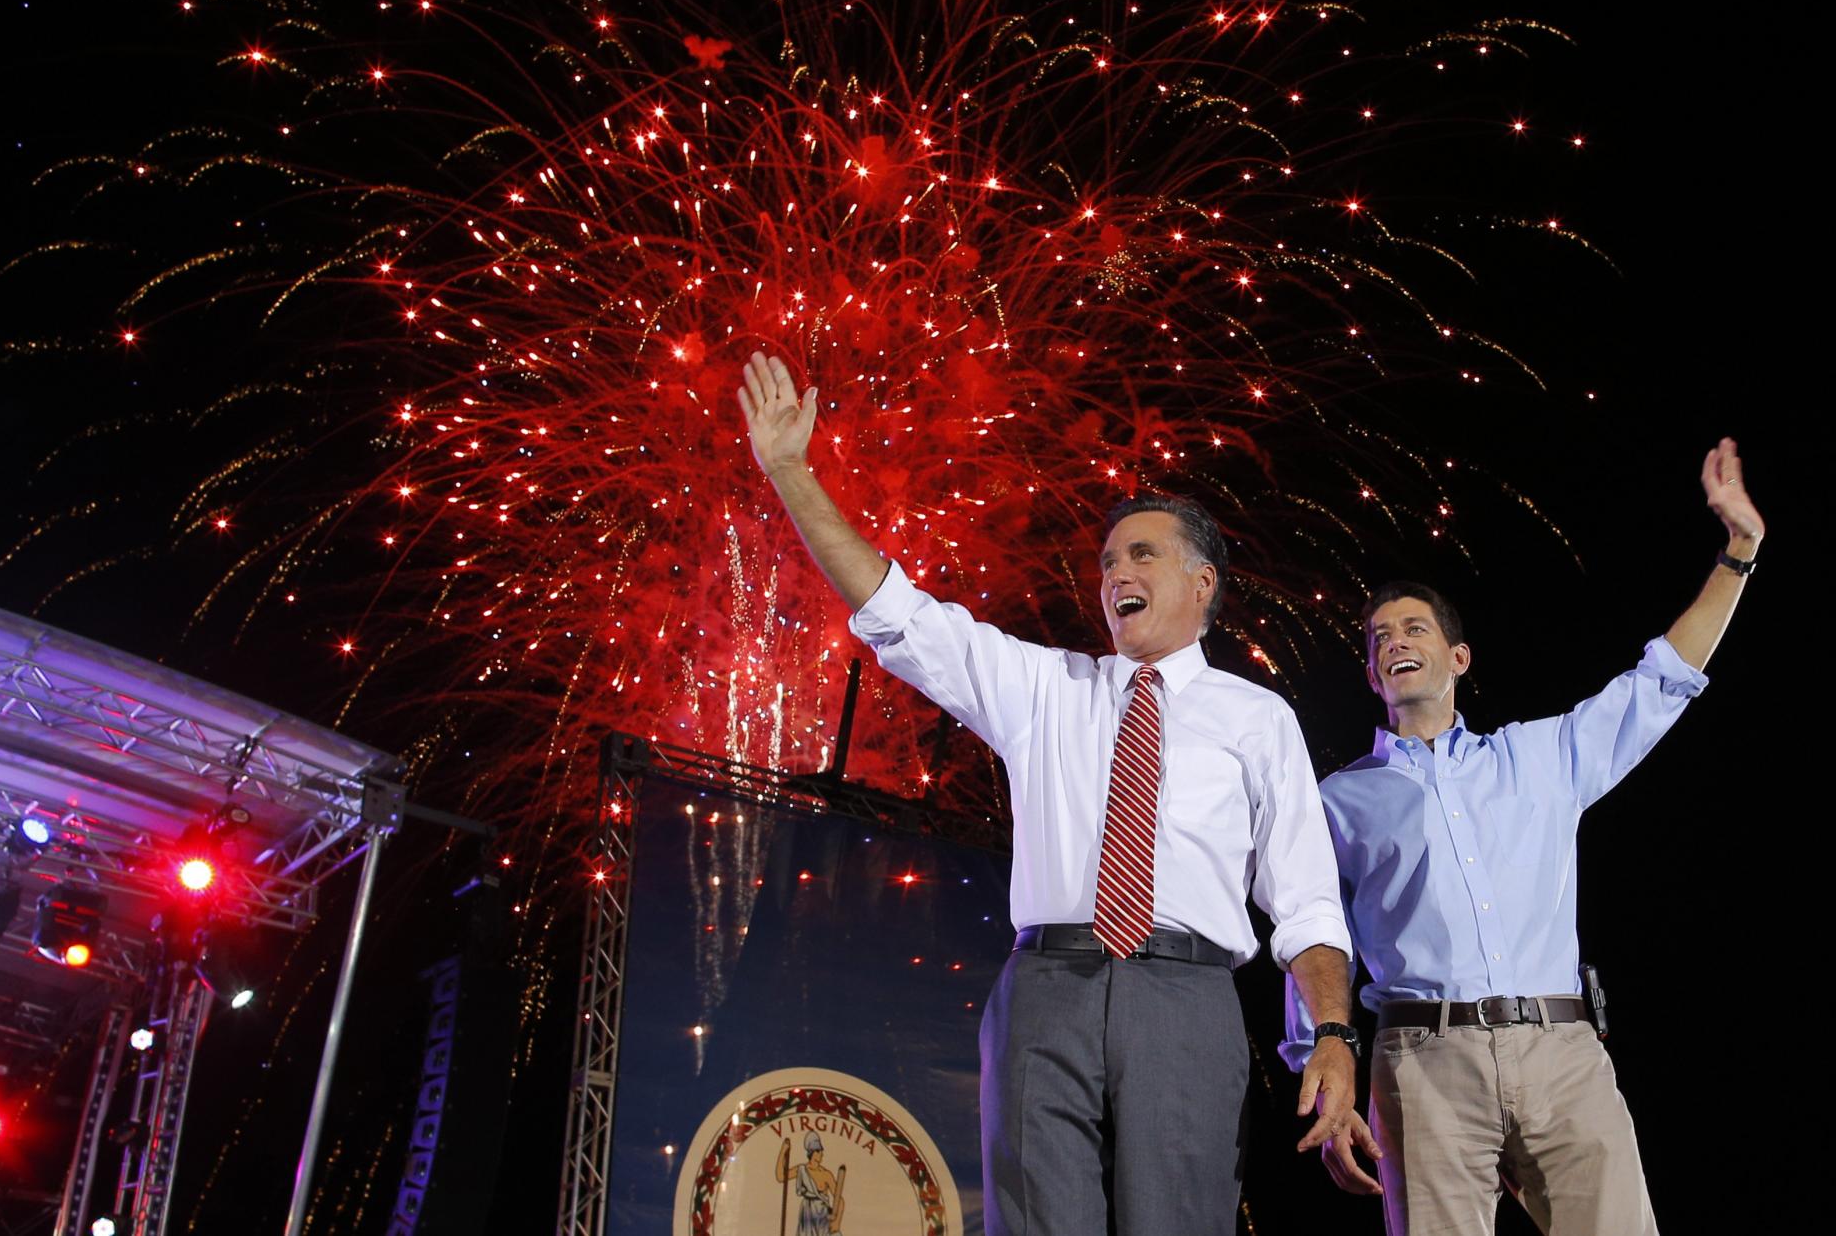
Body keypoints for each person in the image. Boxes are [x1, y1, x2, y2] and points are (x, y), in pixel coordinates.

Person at [736, 351, 1360, 1236]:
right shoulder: (1045, 687)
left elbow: (1305, 903)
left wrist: (1332, 1037)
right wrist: (792, 474)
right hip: (1047, 988)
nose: (1115, 575)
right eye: (1107, 561)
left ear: (1201, 584)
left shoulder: (1257, 718)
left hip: (1187, 1002)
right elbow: (896, 610)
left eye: (1142, 554)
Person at [1282, 439, 1764, 1234]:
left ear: (1457, 656)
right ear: (1371, 675)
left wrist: (1738, 552)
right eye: (1378, 639)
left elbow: (1663, 681)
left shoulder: (1540, 757)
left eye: (1413, 628)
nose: (1394, 641)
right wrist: (1317, 1068)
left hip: (1561, 1050)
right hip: (1422, 1065)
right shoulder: (1337, 800)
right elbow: (1311, 930)